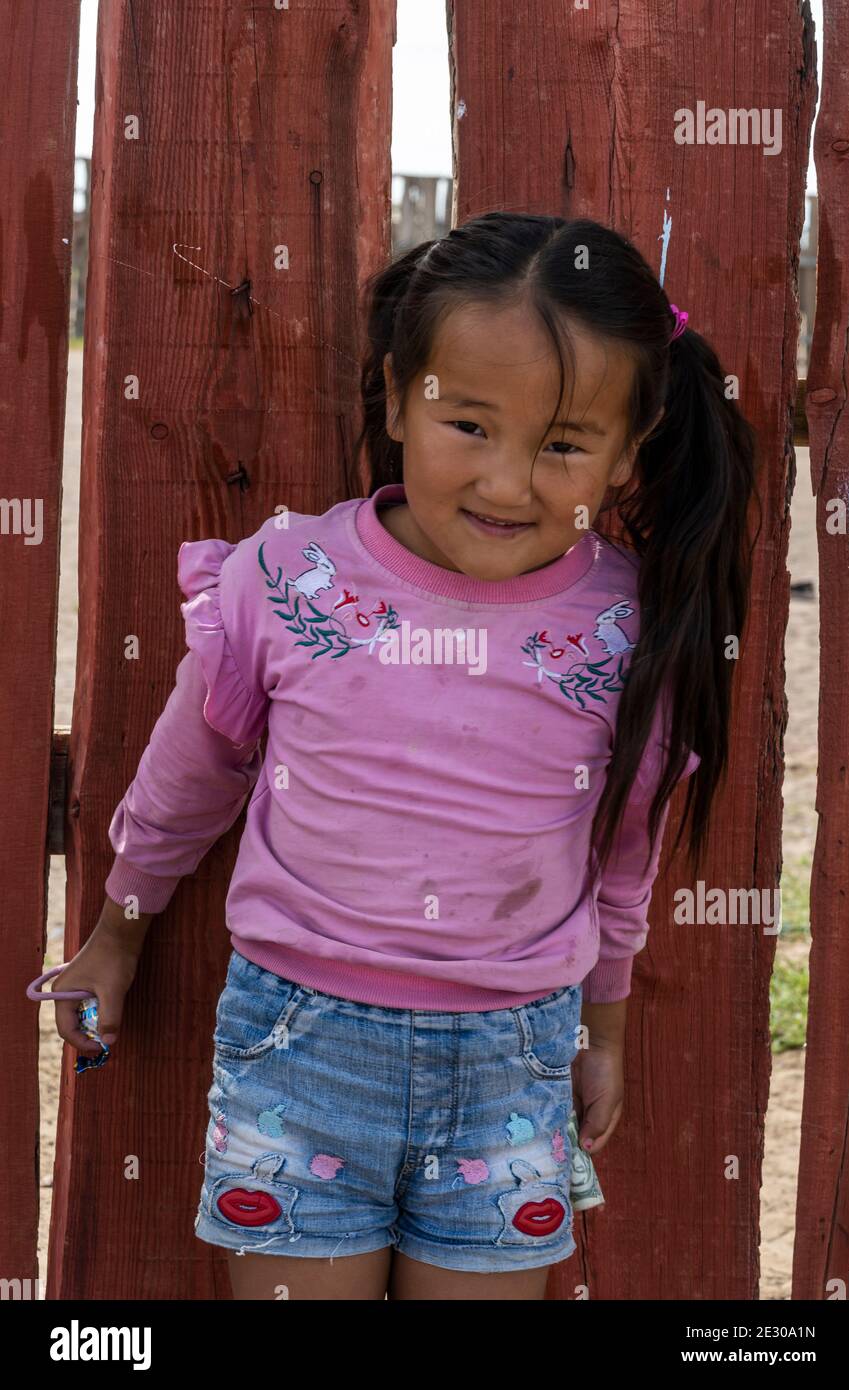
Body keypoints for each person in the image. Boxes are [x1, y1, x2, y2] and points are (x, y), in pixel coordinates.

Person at [52, 212, 759, 1300]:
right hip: (298, 1048)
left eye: (562, 443)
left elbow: (622, 861)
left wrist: (599, 1033)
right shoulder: (287, 582)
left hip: (513, 1063)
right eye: (467, 424)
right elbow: (185, 781)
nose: (509, 484)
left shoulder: (625, 634)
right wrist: (117, 935)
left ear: (630, 447)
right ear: (396, 396)